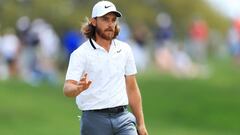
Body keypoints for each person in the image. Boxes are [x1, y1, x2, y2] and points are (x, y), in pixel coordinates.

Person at [63, 1, 148, 135]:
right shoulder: (80, 54)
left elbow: (132, 88)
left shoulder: (124, 49)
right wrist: (78, 88)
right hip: (94, 120)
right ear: (94, 22)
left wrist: (141, 123)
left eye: (113, 20)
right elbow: (67, 89)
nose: (110, 24)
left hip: (123, 118)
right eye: (105, 19)